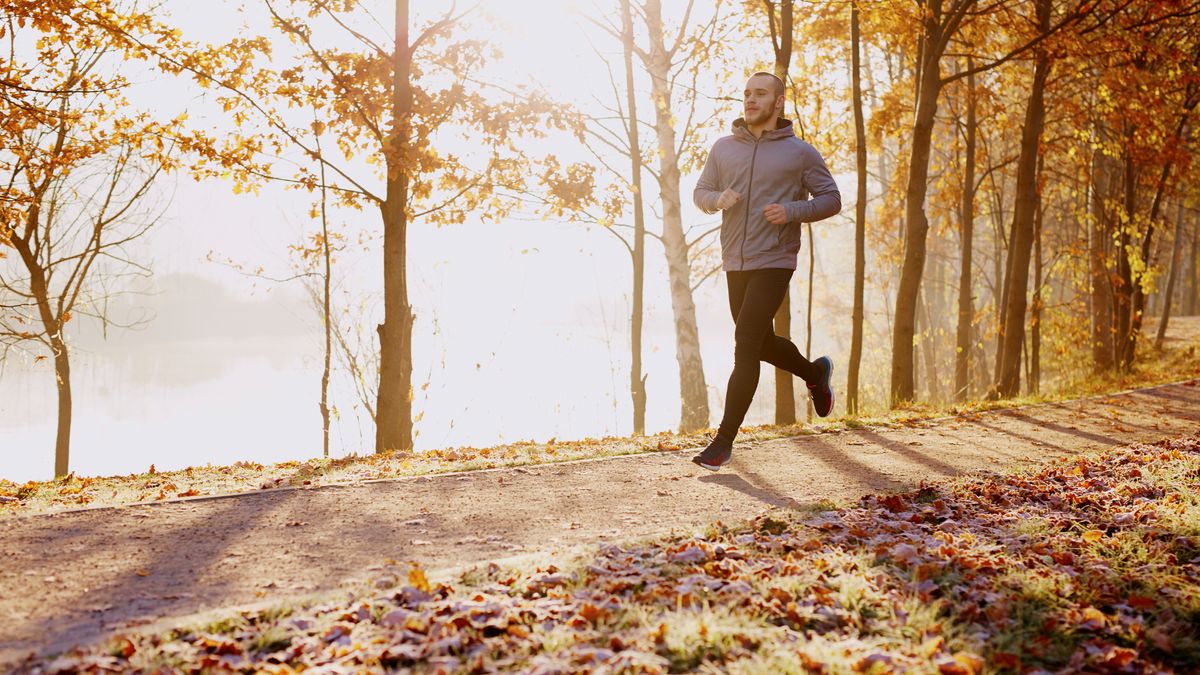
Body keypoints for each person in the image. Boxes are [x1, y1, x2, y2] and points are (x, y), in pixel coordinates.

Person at [690, 71, 841, 471]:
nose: (750, 100)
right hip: (734, 260)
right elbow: (700, 193)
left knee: (745, 344)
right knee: (760, 342)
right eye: (746, 94)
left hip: (775, 260)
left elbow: (831, 199)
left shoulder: (800, 153)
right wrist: (716, 199)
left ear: (778, 102)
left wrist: (792, 210)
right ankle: (814, 372)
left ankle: (722, 443)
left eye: (760, 94)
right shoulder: (724, 148)